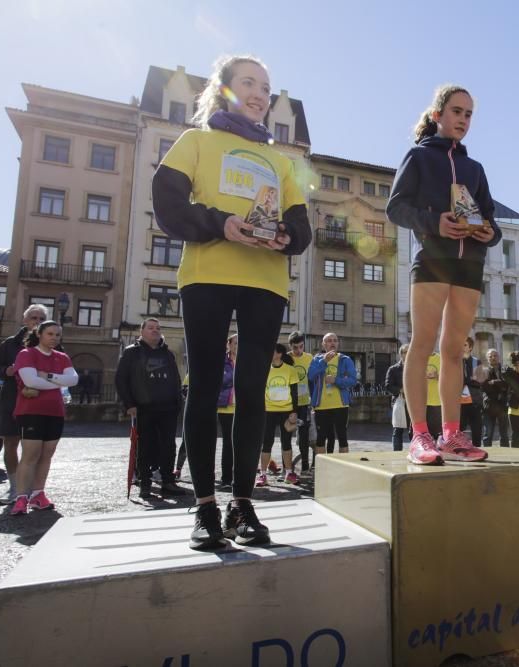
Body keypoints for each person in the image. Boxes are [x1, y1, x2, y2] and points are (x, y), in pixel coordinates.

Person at [152, 54, 311, 550]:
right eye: (249, 83)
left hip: (265, 284)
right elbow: (168, 203)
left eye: (266, 86)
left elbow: (302, 230)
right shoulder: (196, 141)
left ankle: (243, 503)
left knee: (252, 391)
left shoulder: (283, 162)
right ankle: (204, 508)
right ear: (223, 90)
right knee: (203, 387)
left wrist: (282, 236)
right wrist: (220, 223)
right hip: (207, 275)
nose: (260, 93)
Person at [386, 84, 500, 465]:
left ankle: (451, 436)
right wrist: (435, 222)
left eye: (469, 114)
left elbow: (490, 220)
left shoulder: (476, 168)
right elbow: (396, 208)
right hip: (433, 258)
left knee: (453, 352)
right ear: (438, 115)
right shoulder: (418, 157)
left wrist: (488, 232)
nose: (463, 120)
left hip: (470, 263)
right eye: (456, 112)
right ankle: (420, 435)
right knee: (422, 345)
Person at [8, 321, 77, 515]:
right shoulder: (26, 354)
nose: (54, 338)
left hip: (55, 411)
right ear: (39, 334)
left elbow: (73, 379)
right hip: (30, 411)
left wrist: (45, 376)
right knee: (30, 454)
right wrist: (57, 381)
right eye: (50, 334)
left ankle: (38, 494)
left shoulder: (62, 357)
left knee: (47, 455)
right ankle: (21, 496)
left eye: (57, 335)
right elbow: (30, 380)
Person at [115, 318, 185, 498]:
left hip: (168, 409)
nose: (155, 330)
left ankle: (168, 481)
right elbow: (121, 379)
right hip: (144, 408)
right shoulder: (132, 353)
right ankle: (145, 482)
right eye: (151, 328)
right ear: (142, 331)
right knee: (145, 446)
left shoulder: (167, 354)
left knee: (168, 446)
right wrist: (129, 404)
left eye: (158, 328)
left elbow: (176, 379)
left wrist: (178, 401)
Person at [0, 305, 49, 505]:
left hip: (40, 401)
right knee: (11, 444)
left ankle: (33, 488)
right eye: (33, 317)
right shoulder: (9, 344)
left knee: (36, 447)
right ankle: (16, 487)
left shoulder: (51, 343)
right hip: (12, 400)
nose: (37, 320)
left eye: (41, 318)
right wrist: (7, 370)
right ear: (25, 320)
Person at [258, 342, 298, 486]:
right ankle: (262, 475)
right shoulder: (264, 369)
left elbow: (294, 392)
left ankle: (289, 473)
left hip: (286, 411)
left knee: (286, 443)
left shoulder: (290, 370)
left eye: (272, 351)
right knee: (266, 443)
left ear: (279, 354)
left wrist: (294, 412)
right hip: (268, 411)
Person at [308, 332, 356, 454]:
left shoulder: (345, 360)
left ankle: (343, 467)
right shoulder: (317, 359)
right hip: (321, 405)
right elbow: (311, 376)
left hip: (340, 405)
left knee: (342, 437)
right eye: (329, 340)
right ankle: (321, 467)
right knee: (320, 438)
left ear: (338, 343)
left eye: (335, 340)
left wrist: (336, 380)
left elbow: (352, 380)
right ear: (324, 344)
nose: (332, 343)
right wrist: (324, 361)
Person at [287, 331, 315, 474]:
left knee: (304, 434)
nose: (298, 350)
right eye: (295, 347)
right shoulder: (286, 358)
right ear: (290, 346)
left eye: (301, 346)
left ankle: (305, 465)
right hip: (288, 403)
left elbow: (313, 379)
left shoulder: (309, 358)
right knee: (286, 434)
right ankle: (287, 468)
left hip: (304, 402)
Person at [216, 334, 237, 491]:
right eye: (235, 343)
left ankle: (240, 477)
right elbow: (220, 380)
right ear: (228, 344)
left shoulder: (247, 360)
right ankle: (226, 479)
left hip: (244, 408)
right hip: (226, 408)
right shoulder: (221, 361)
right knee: (228, 444)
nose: (238, 346)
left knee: (242, 445)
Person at [481, 349, 510, 447]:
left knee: (504, 434)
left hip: (503, 405)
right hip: (489, 405)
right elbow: (485, 386)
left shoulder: (505, 369)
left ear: (499, 356)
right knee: (487, 434)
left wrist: (494, 382)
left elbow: (508, 384)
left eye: (495, 355)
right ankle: (487, 454)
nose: (493, 358)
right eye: (490, 356)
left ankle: (506, 455)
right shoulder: (483, 370)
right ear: (487, 358)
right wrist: (501, 385)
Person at [459, 338, 484, 447]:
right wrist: (470, 379)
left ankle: (477, 450)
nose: (461, 347)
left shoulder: (476, 361)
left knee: (476, 429)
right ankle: (458, 450)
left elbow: (479, 381)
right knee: (459, 430)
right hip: (459, 402)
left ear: (470, 348)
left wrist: (465, 380)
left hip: (474, 401)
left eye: (464, 345)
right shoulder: (455, 361)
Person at [386, 344, 409, 452]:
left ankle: (415, 451)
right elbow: (388, 385)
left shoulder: (416, 368)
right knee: (398, 429)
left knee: (414, 429)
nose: (407, 354)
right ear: (401, 354)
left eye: (409, 352)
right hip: (399, 401)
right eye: (404, 352)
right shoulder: (393, 369)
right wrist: (400, 390)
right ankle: (397, 452)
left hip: (413, 402)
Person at [425, 350, 443, 440]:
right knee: (424, 432)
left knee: (438, 432)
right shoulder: (420, 357)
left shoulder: (441, 358)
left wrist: (438, 377)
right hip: (423, 401)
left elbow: (447, 378)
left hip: (437, 401)